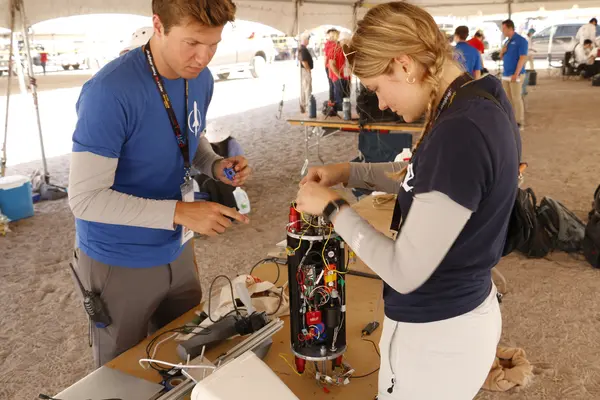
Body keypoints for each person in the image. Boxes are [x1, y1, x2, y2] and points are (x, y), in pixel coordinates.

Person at [296, 2, 518, 398]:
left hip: (438, 333)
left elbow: (404, 271)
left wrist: (333, 208)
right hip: (455, 316)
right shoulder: (475, 99)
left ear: (403, 65)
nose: (381, 104)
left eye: (378, 87)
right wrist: (348, 172)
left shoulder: (461, 131)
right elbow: (430, 182)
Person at [67, 0, 251, 368]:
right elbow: (84, 199)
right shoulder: (109, 92)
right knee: (124, 372)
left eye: (213, 44)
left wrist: (214, 165)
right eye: (193, 43)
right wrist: (182, 211)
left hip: (176, 246)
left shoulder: (201, 78)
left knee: (183, 352)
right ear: (158, 25)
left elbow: (187, 134)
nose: (203, 58)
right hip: (119, 258)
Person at [500, 19, 527, 128]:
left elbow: (522, 58)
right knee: (507, 99)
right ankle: (510, 119)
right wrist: (502, 51)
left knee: (516, 98)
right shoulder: (507, 41)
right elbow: (501, 57)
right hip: (506, 74)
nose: (503, 31)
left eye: (504, 29)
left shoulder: (521, 41)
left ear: (510, 28)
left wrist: (516, 73)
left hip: (515, 74)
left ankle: (519, 121)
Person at [328, 31, 351, 111]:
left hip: (347, 77)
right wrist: (340, 77)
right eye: (348, 41)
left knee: (347, 99)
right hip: (339, 78)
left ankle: (346, 114)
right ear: (343, 40)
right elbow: (331, 65)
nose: (349, 42)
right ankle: (341, 115)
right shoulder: (334, 49)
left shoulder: (346, 48)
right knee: (340, 99)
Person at [298, 34, 314, 113]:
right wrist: (308, 70)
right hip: (305, 70)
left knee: (304, 88)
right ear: (305, 40)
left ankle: (304, 106)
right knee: (307, 88)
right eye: (308, 39)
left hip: (304, 70)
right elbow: (304, 61)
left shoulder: (302, 48)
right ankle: (307, 107)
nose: (308, 41)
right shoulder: (303, 49)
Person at [324, 28, 339, 103]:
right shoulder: (330, 44)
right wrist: (326, 67)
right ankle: (332, 101)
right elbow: (326, 58)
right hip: (330, 67)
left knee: (333, 84)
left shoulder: (334, 44)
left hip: (330, 66)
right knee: (332, 84)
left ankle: (333, 100)